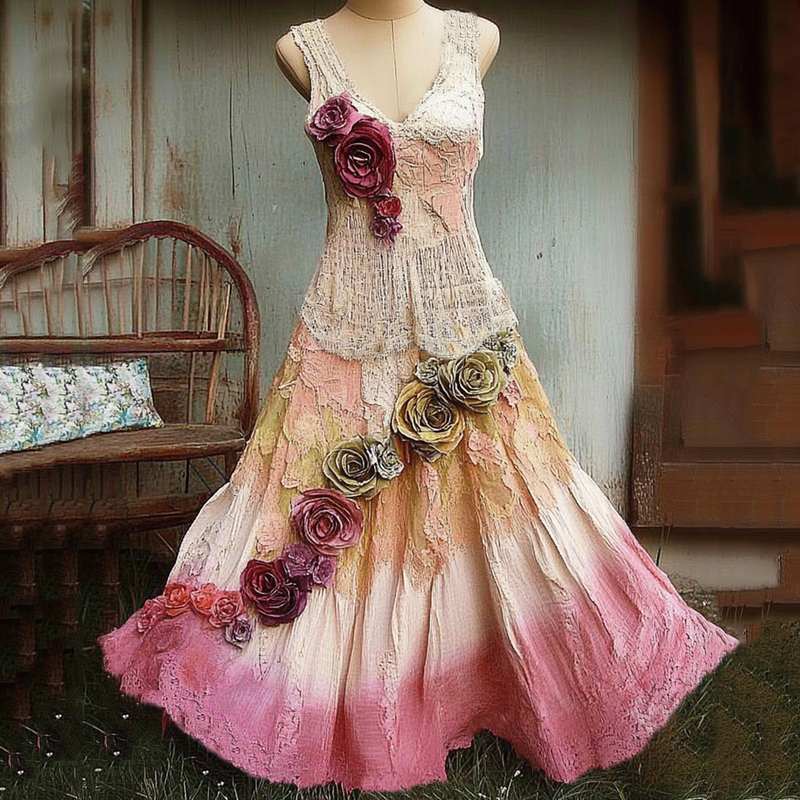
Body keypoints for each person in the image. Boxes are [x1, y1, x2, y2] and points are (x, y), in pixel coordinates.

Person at [98, 0, 742, 792]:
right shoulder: (303, 50)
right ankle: (328, 703)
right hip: (347, 327)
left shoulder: (477, 39)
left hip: (464, 322)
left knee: (507, 506)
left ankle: (510, 685)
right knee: (315, 511)